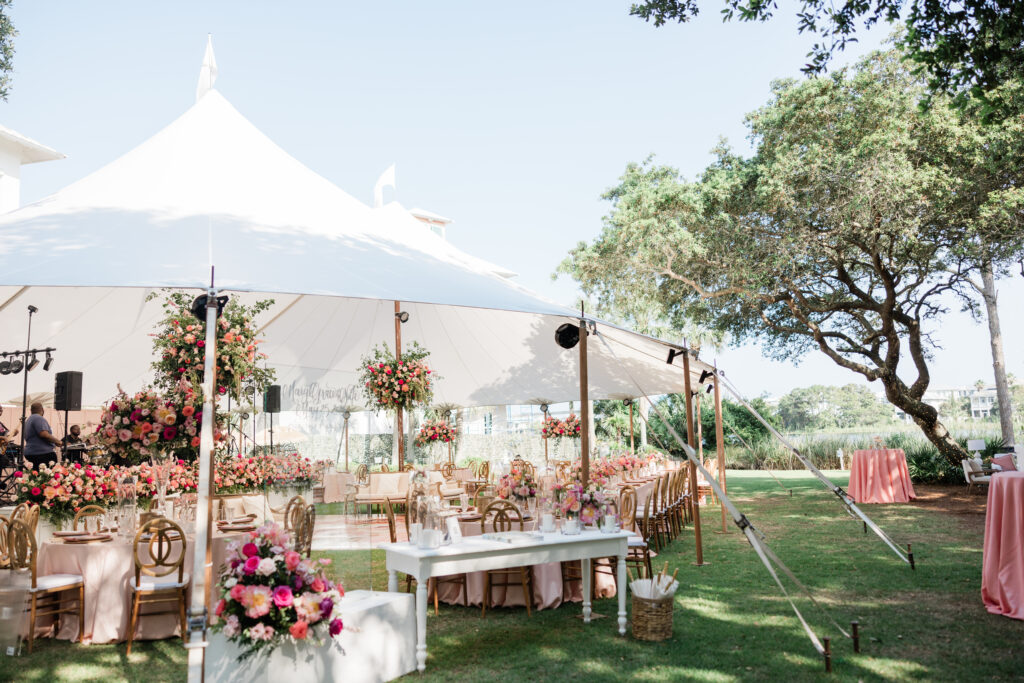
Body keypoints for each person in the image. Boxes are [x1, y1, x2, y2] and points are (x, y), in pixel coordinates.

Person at [23, 402, 61, 468]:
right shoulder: (38, 418)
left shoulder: (29, 420)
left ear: (31, 410)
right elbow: (44, 434)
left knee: (38, 476)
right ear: (42, 410)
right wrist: (58, 441)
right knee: (49, 476)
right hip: (42, 453)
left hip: (31, 452)